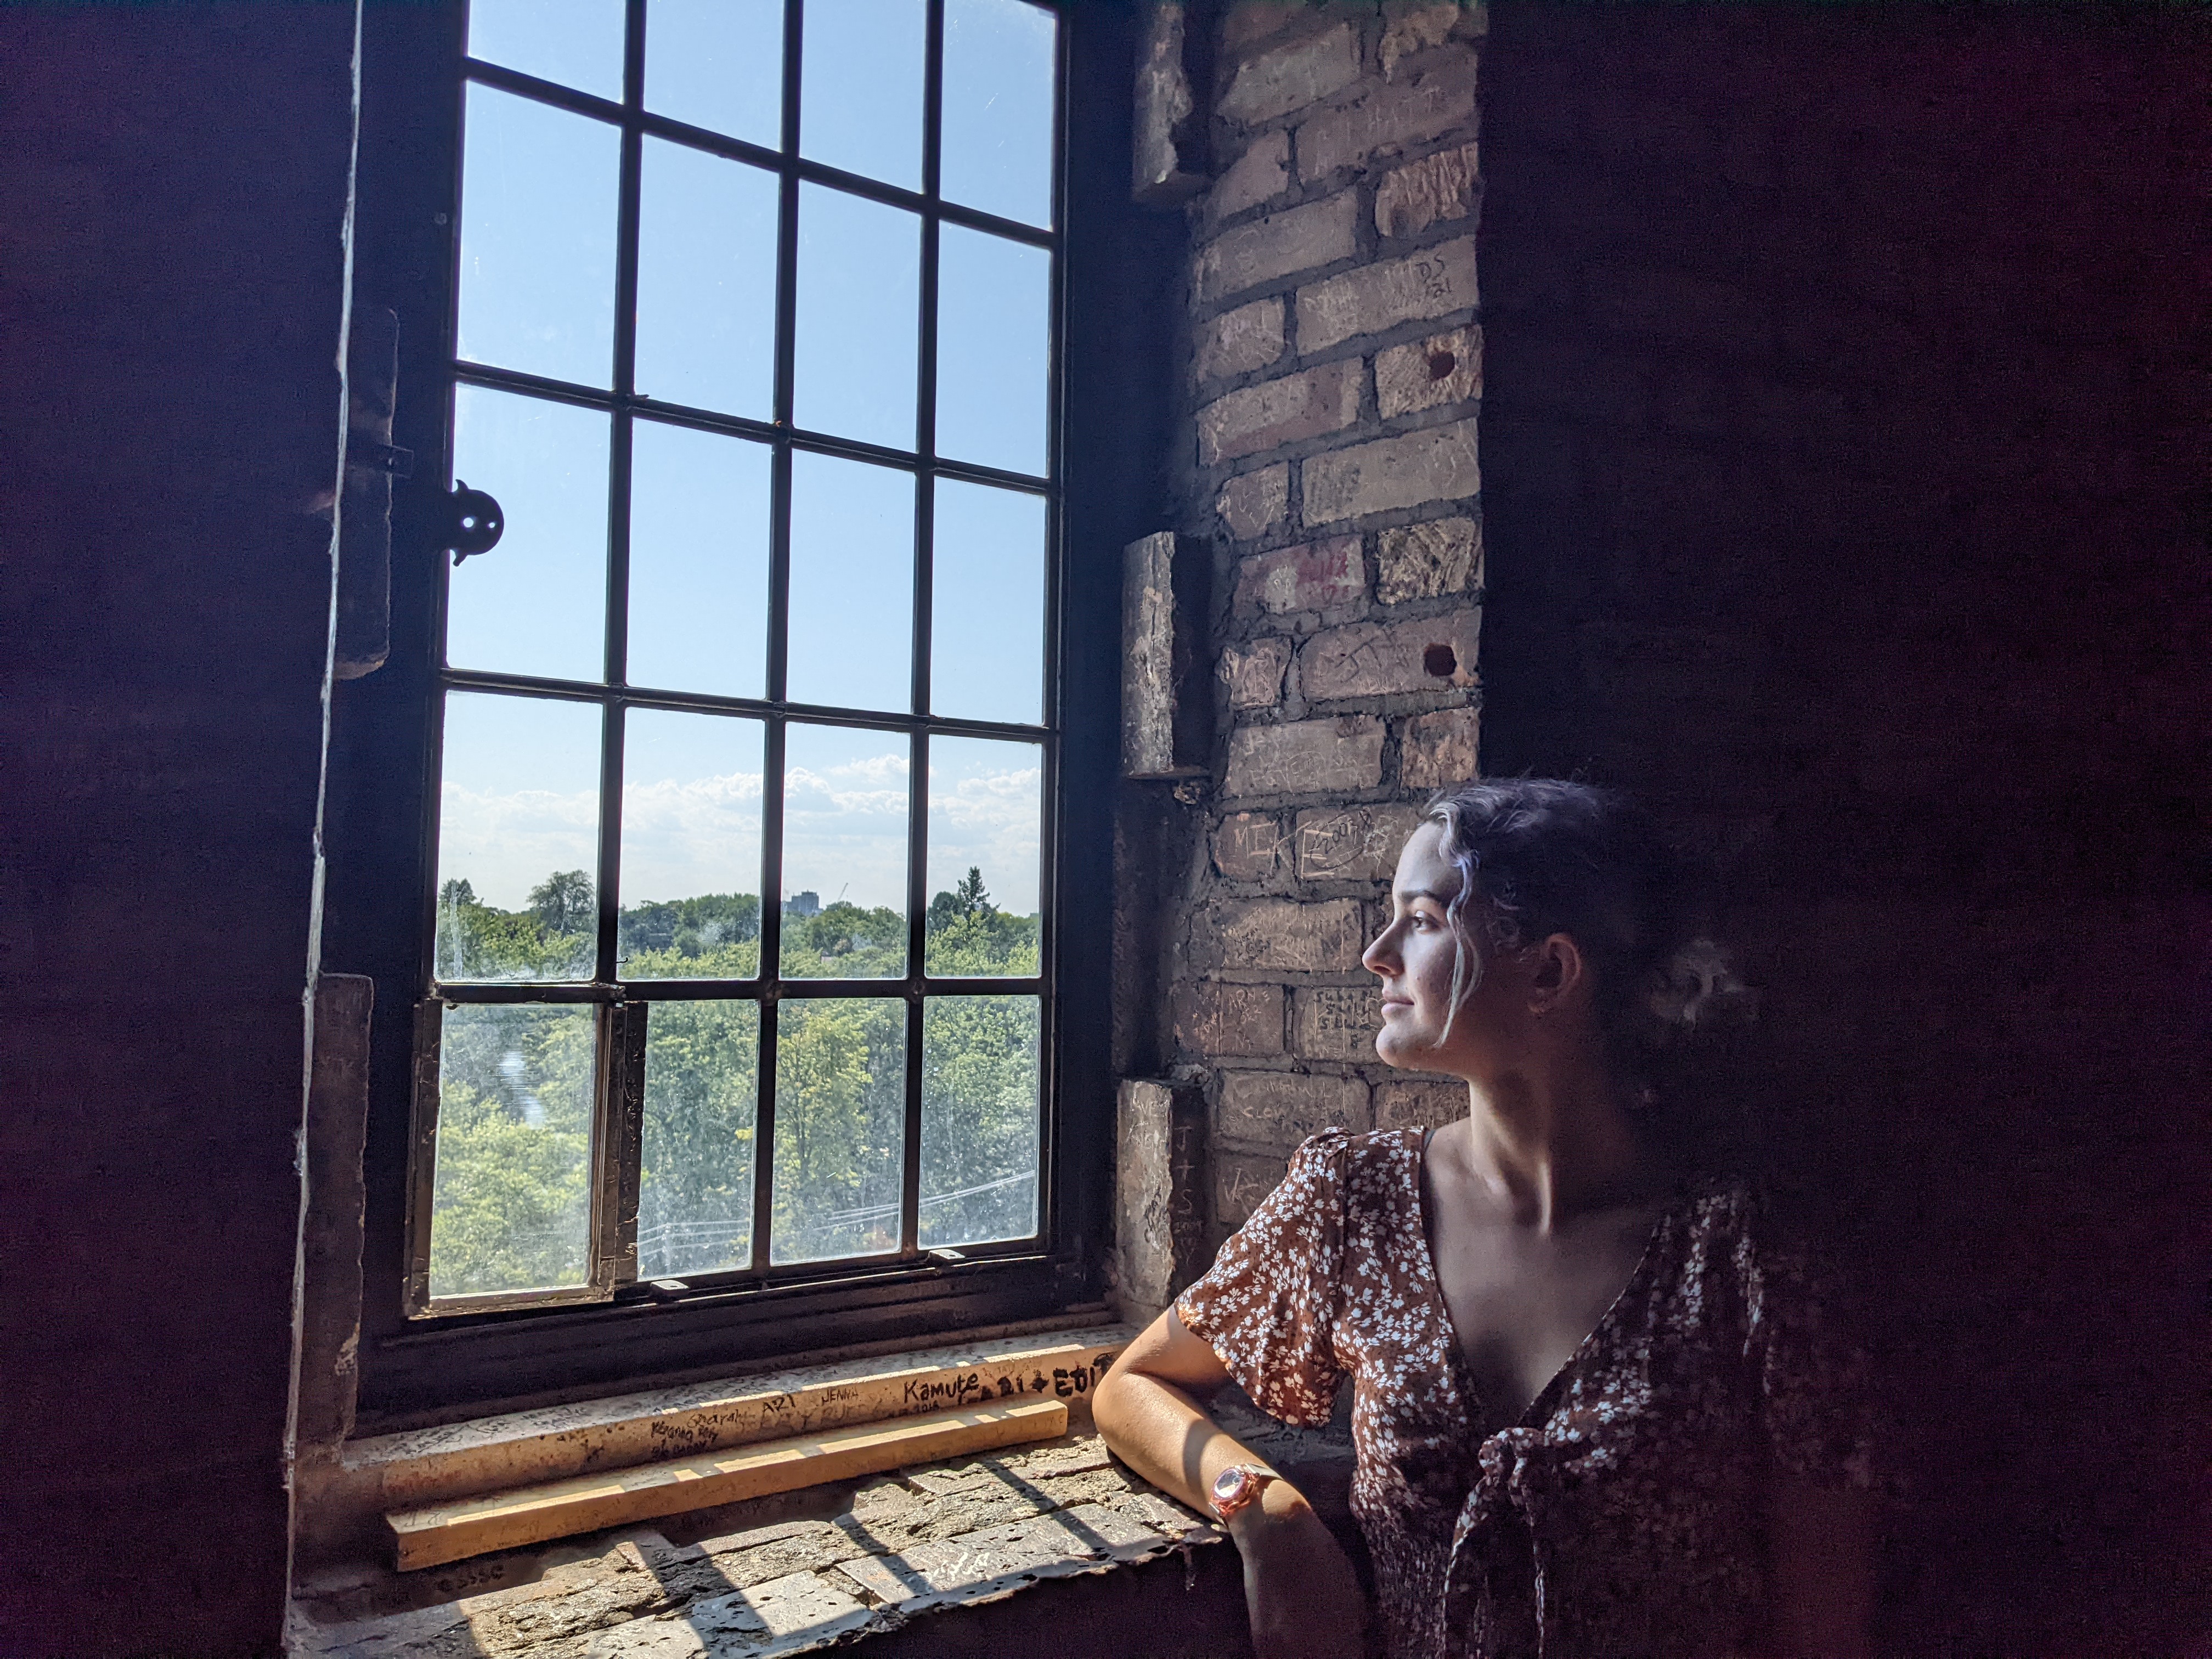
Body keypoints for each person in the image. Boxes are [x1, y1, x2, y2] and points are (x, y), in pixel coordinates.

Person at [1094, 780, 1889, 1659]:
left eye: (1423, 919)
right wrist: (1265, 1514)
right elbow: (1134, 1387)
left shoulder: (1745, 1251)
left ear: (1548, 972)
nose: (1377, 955)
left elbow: (1824, 1617)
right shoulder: (1354, 1200)